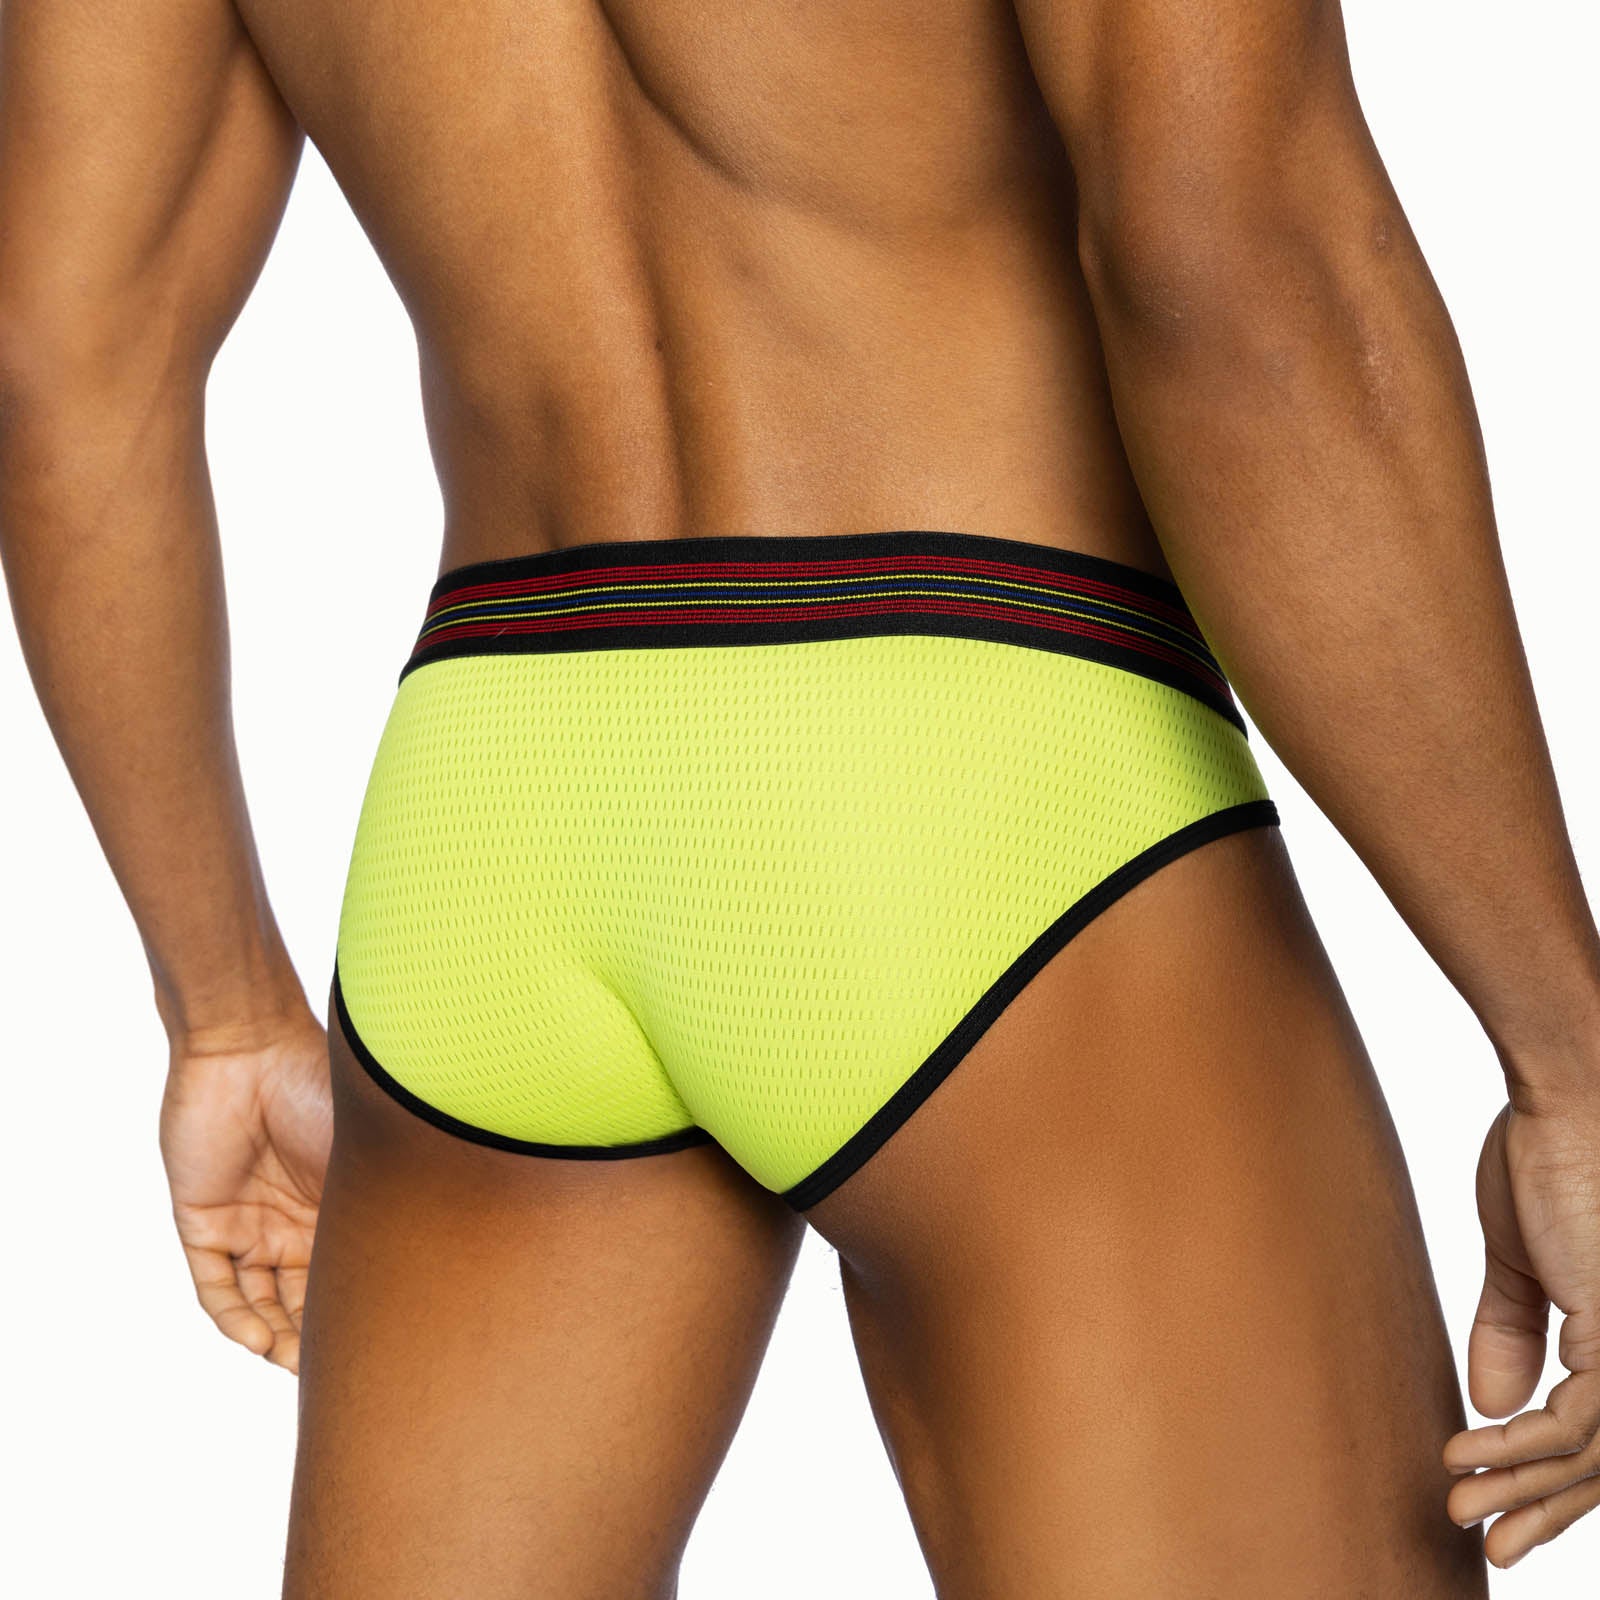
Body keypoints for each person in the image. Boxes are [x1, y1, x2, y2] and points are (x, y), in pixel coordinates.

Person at [2, 0, 1595, 1591]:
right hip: (993, 776)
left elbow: (62, 364)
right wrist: (1568, 1067)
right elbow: (1240, 267)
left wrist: (224, 1013)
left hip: (497, 802)